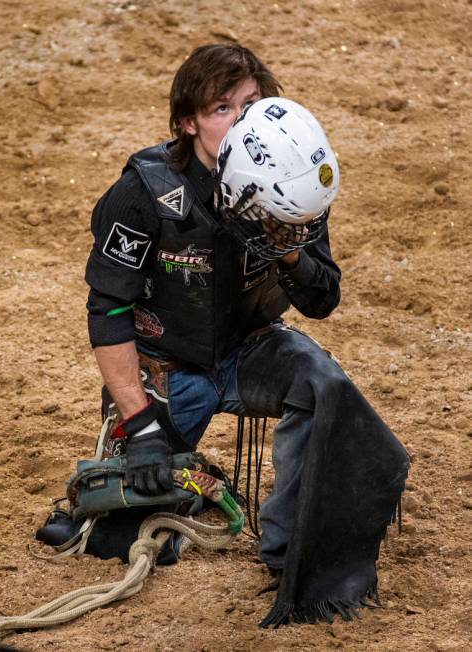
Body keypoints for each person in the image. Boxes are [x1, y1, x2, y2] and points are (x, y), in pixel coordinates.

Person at [84, 44, 409, 625]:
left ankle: (294, 549)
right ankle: (146, 477)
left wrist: (291, 257)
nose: (242, 119)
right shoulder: (142, 194)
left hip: (251, 347)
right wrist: (139, 425)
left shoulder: (291, 176)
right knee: (124, 532)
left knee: (324, 387)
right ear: (188, 122)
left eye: (253, 101)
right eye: (221, 107)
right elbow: (107, 311)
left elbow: (322, 299)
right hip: (165, 366)